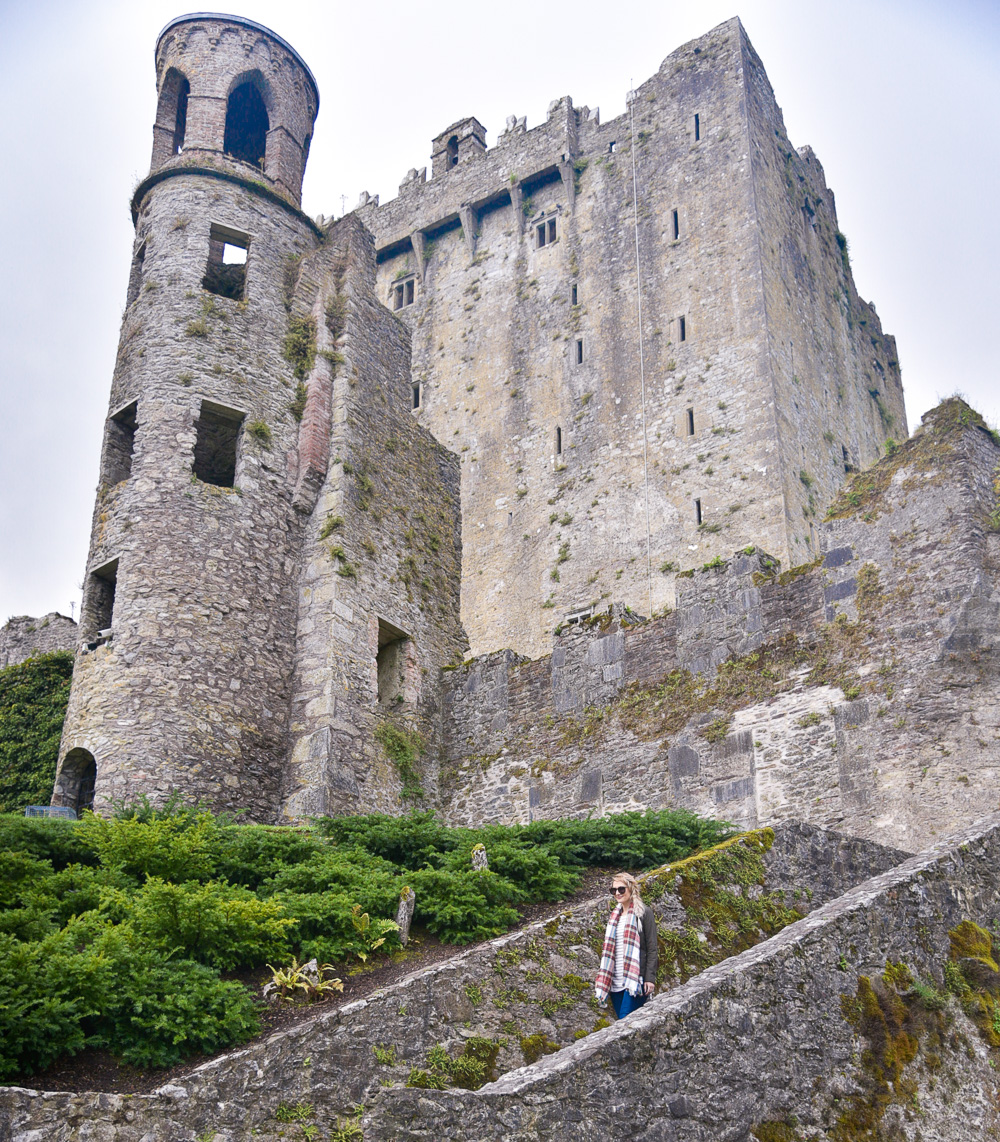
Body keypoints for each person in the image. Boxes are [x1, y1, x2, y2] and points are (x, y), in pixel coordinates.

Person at [594, 872, 658, 1018]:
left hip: (635, 980)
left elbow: (652, 948)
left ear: (631, 889)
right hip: (615, 982)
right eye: (613, 890)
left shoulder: (643, 913)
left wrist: (650, 978)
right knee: (624, 1024)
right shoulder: (614, 917)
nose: (617, 893)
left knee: (625, 1020)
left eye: (621, 889)